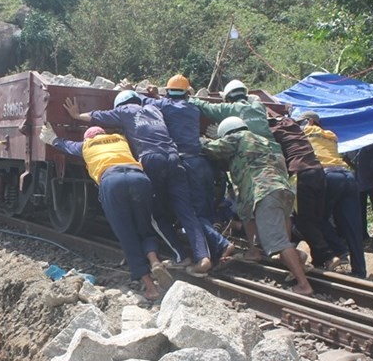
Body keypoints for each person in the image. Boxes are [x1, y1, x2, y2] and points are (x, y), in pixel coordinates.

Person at [64, 90, 213, 277]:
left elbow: (99, 116)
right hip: (174, 157)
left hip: (151, 159)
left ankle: (181, 256)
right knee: (186, 210)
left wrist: (77, 115)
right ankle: (203, 257)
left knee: (153, 213)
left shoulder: (125, 110)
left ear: (121, 104)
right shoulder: (154, 109)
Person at [40, 123, 173, 302]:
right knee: (145, 227)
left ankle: (151, 288)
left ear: (89, 138)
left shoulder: (86, 145)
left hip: (112, 180)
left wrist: (52, 139)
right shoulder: (121, 140)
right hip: (139, 178)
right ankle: (154, 261)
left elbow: (65, 145)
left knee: (127, 234)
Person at [203, 117, 314, 296]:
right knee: (248, 214)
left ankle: (303, 285)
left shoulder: (237, 137)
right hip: (282, 190)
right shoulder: (261, 140)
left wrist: (203, 140)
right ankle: (259, 252)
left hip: (265, 192)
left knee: (278, 242)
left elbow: (209, 149)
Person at [142, 74, 235, 264]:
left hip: (184, 164)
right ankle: (215, 251)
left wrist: (143, 93)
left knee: (190, 212)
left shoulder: (163, 106)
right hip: (202, 162)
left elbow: (142, 102)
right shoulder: (193, 108)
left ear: (168, 92)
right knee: (205, 209)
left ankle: (221, 244)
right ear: (187, 93)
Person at [268, 113, 342, 271]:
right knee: (316, 218)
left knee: (303, 220)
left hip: (300, 174)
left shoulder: (272, 131)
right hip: (318, 172)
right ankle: (318, 261)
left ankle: (328, 256)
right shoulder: (292, 125)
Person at [299, 111, 366, 278]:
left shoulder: (306, 131)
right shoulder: (331, 135)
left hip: (326, 177)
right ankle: (360, 271)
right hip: (347, 176)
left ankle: (339, 251)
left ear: (310, 121)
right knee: (353, 227)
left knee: (314, 219)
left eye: (301, 122)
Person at [189, 79, 283, 157]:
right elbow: (255, 100)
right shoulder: (259, 107)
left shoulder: (228, 109)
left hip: (252, 155)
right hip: (275, 153)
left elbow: (204, 106)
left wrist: (187, 97)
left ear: (228, 99)